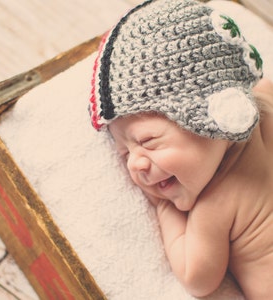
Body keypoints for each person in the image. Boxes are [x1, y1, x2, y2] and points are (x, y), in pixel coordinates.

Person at [88, 0, 273, 298]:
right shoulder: (265, 99)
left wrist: (163, 207)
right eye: (125, 154)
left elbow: (197, 278)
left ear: (211, 115)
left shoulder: (215, 206)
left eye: (148, 142)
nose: (136, 164)